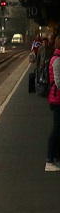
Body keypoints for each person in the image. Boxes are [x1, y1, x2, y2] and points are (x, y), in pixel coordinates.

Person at [47, 43, 60, 171]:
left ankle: (56, 157)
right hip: (57, 99)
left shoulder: (56, 58)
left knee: (58, 129)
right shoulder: (57, 60)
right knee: (56, 130)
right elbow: (58, 81)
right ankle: (49, 160)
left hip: (56, 98)